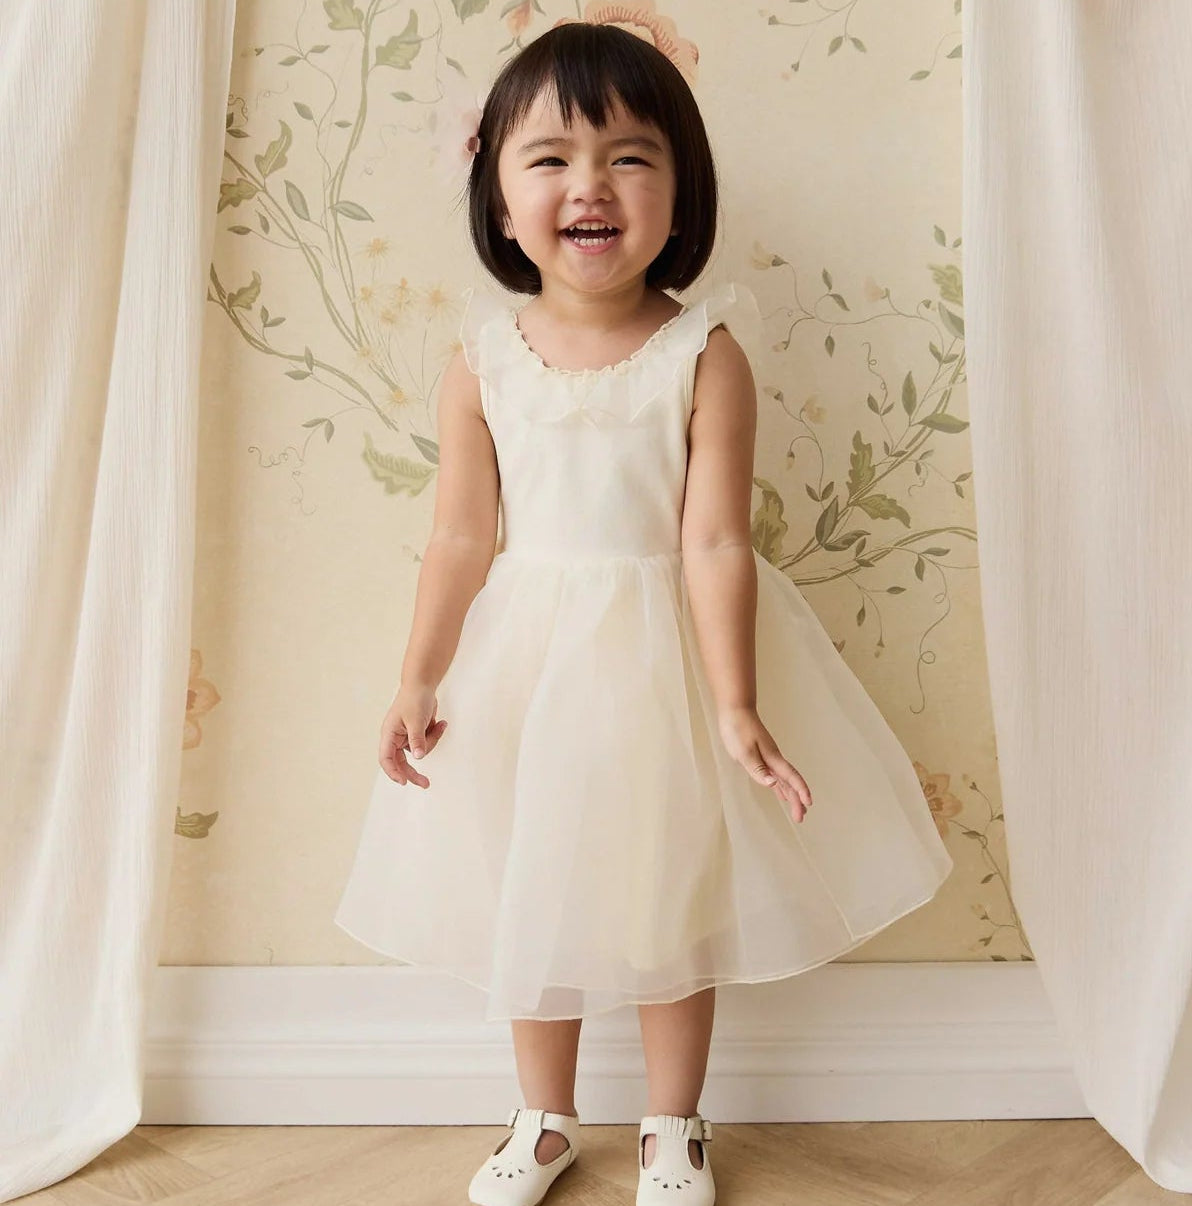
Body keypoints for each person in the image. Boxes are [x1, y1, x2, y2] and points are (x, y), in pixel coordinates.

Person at [334, 21, 954, 1206]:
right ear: (499, 195)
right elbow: (463, 535)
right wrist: (418, 674)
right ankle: (543, 1117)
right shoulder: (483, 360)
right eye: (552, 156)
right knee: (528, 881)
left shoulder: (702, 352)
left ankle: (675, 1123)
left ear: (681, 191)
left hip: (665, 661)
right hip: (525, 664)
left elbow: (716, 537)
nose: (591, 184)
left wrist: (734, 702)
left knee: (670, 891)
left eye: (629, 156)